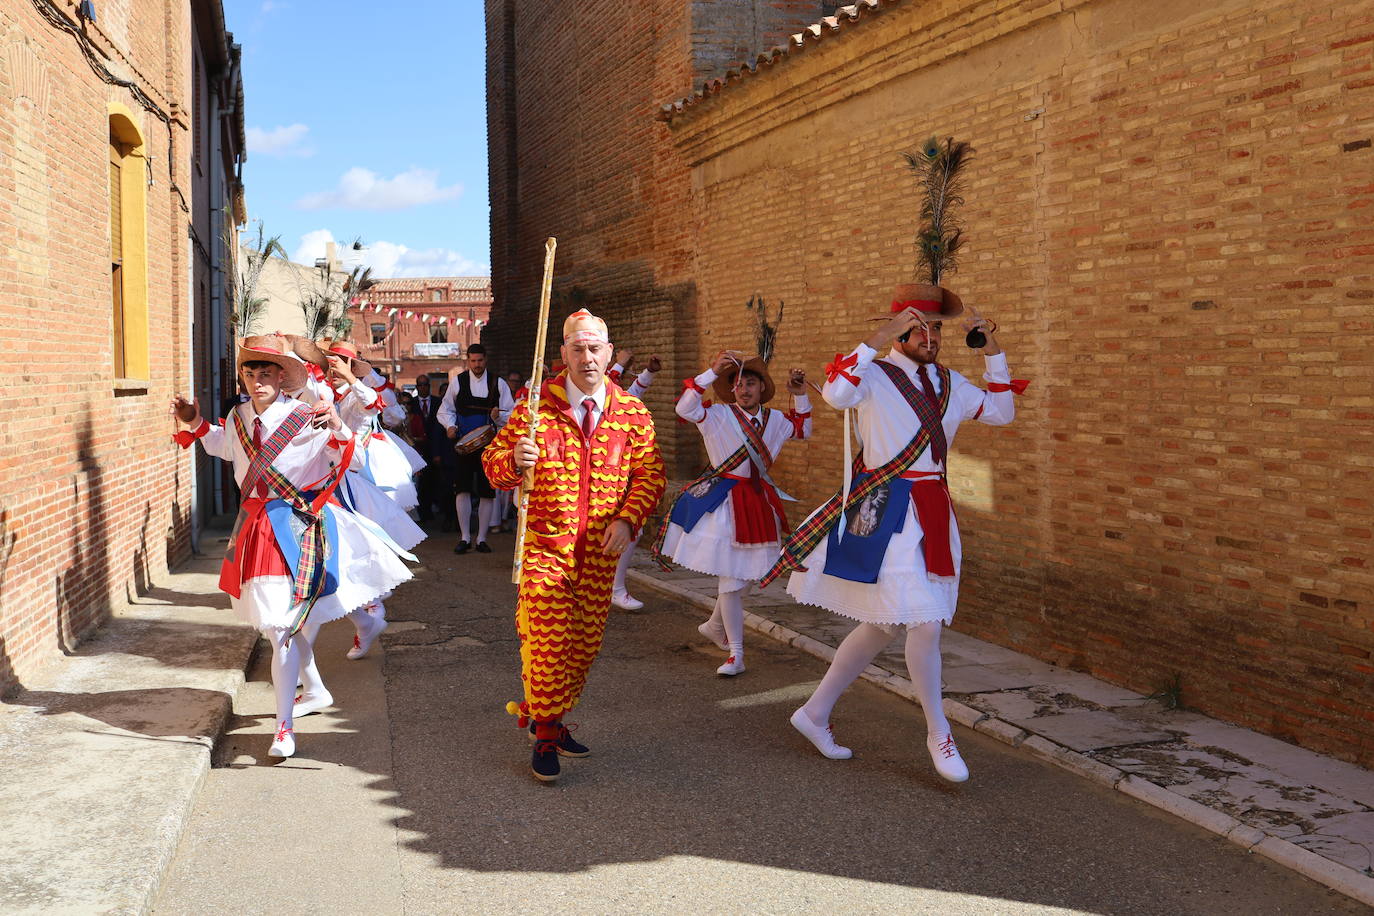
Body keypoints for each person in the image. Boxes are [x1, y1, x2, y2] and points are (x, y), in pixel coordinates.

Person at [762, 286, 1022, 782]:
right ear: (899, 330)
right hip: (884, 509)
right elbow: (837, 395)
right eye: (918, 326)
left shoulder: (950, 382)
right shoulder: (874, 375)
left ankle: (814, 714)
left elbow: (1002, 412)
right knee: (923, 622)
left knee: (884, 624)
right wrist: (876, 337)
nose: (931, 336)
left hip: (932, 510)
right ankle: (938, 731)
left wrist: (993, 351)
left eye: (937, 327)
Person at [170, 335, 412, 758]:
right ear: (243, 377)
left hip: (299, 526)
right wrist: (194, 421)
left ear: (282, 378)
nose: (257, 380)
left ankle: (284, 729)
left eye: (266, 373)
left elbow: (350, 461)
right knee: (279, 625)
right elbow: (224, 447)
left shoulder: (307, 415)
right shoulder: (237, 416)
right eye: (250, 372)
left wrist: (337, 427)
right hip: (254, 530)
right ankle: (314, 688)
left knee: (283, 626)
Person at [483, 309, 666, 783]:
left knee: (582, 647)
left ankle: (553, 718)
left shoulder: (632, 413)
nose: (587, 358)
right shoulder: (533, 410)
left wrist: (629, 519)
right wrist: (512, 459)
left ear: (608, 353)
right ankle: (543, 733)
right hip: (546, 547)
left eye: (595, 349)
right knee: (547, 640)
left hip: (601, 554)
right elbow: (493, 464)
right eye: (577, 349)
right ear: (562, 354)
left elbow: (650, 476)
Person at [655, 351, 810, 675]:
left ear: (761, 387)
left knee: (746, 575)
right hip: (725, 505)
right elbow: (684, 408)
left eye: (750, 383)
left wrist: (800, 395)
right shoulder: (718, 416)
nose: (743, 389)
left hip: (757, 503)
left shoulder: (776, 420)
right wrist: (710, 373)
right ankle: (736, 654)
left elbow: (803, 430)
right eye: (737, 384)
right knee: (732, 578)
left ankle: (714, 625)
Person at [438, 344, 514, 554]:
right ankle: (464, 537)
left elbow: (512, 413)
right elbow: (446, 409)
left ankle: (481, 538)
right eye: (473, 361)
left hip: (489, 445)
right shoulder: (458, 382)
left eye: (480, 360)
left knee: (486, 492)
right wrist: (450, 426)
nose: (477, 364)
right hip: (464, 444)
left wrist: (499, 417)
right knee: (462, 489)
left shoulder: (498, 383)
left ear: (485, 359)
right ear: (468, 360)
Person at [606, 351, 661, 610]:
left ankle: (615, 588)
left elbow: (629, 395)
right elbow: (609, 382)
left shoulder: (617, 401)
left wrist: (648, 373)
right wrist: (620, 363)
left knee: (632, 528)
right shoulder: (589, 391)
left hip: (616, 471)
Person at [411, 374, 445, 524]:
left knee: (434, 480)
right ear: (417, 387)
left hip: (434, 447)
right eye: (420, 385)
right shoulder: (411, 404)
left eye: (426, 385)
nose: (423, 387)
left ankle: (433, 509)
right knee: (419, 482)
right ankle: (422, 511)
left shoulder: (438, 402)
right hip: (416, 449)